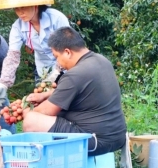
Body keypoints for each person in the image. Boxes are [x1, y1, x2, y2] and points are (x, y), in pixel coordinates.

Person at [22, 27, 127, 156]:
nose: (58, 63)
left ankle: (47, 165)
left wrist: (26, 110)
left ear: (67, 52)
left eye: (57, 57)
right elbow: (79, 91)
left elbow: (47, 110)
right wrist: (45, 95)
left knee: (31, 120)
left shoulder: (75, 74)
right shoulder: (102, 61)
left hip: (95, 140)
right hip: (116, 136)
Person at [0, 0, 70, 104]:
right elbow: (12, 56)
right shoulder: (18, 27)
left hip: (66, 67)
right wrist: (3, 84)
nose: (20, 12)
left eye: (24, 7)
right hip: (43, 70)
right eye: (16, 8)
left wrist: (56, 72)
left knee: (67, 102)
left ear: (35, 5)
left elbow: (68, 48)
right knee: (44, 104)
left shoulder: (57, 19)